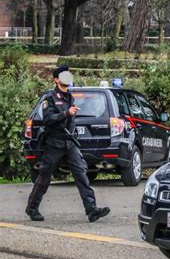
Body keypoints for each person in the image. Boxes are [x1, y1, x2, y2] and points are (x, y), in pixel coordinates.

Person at [26, 66, 110, 222]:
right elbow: (48, 119)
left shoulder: (70, 97)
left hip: (70, 143)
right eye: (64, 75)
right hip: (54, 143)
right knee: (44, 176)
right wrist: (66, 113)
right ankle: (32, 208)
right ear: (57, 79)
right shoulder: (50, 98)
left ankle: (91, 210)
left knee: (81, 174)